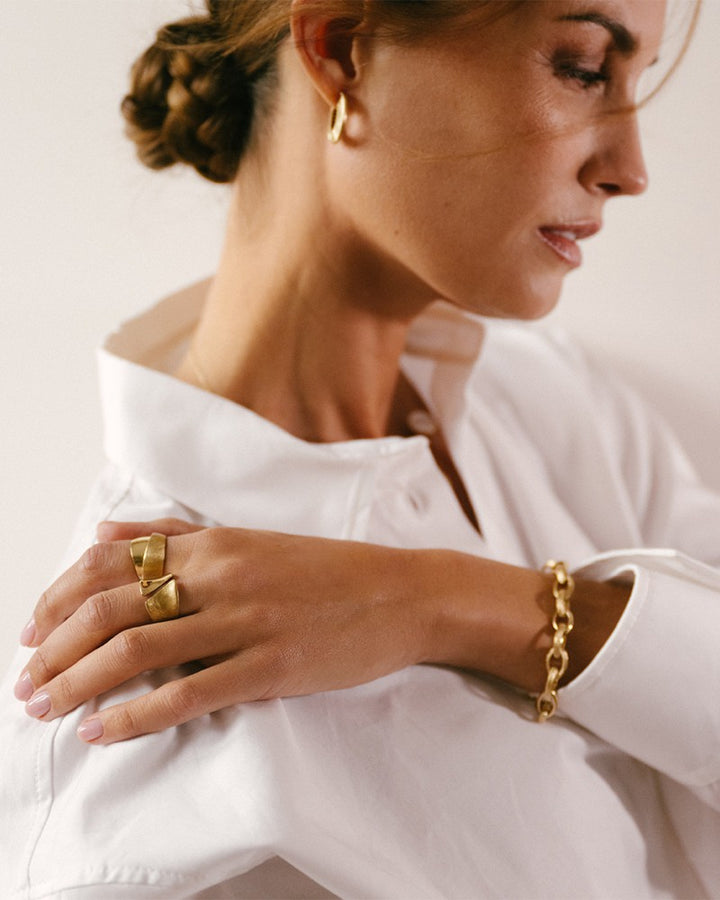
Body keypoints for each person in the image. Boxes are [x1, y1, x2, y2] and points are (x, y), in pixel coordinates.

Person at [1, 0, 719, 896]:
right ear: (342, 50)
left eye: (636, 83)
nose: (631, 169)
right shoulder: (149, 707)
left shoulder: (558, 402)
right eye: (581, 69)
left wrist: (450, 601)